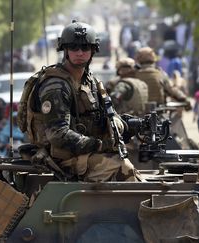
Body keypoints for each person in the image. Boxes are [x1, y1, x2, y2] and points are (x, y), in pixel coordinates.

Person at [18, 21, 139, 182]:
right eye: (74, 48)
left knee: (132, 163)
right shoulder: (56, 86)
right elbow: (58, 135)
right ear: (65, 50)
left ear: (93, 51)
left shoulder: (91, 82)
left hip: (84, 153)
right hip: (59, 159)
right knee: (124, 169)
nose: (79, 52)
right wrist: (100, 145)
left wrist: (121, 124)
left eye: (85, 48)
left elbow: (111, 114)